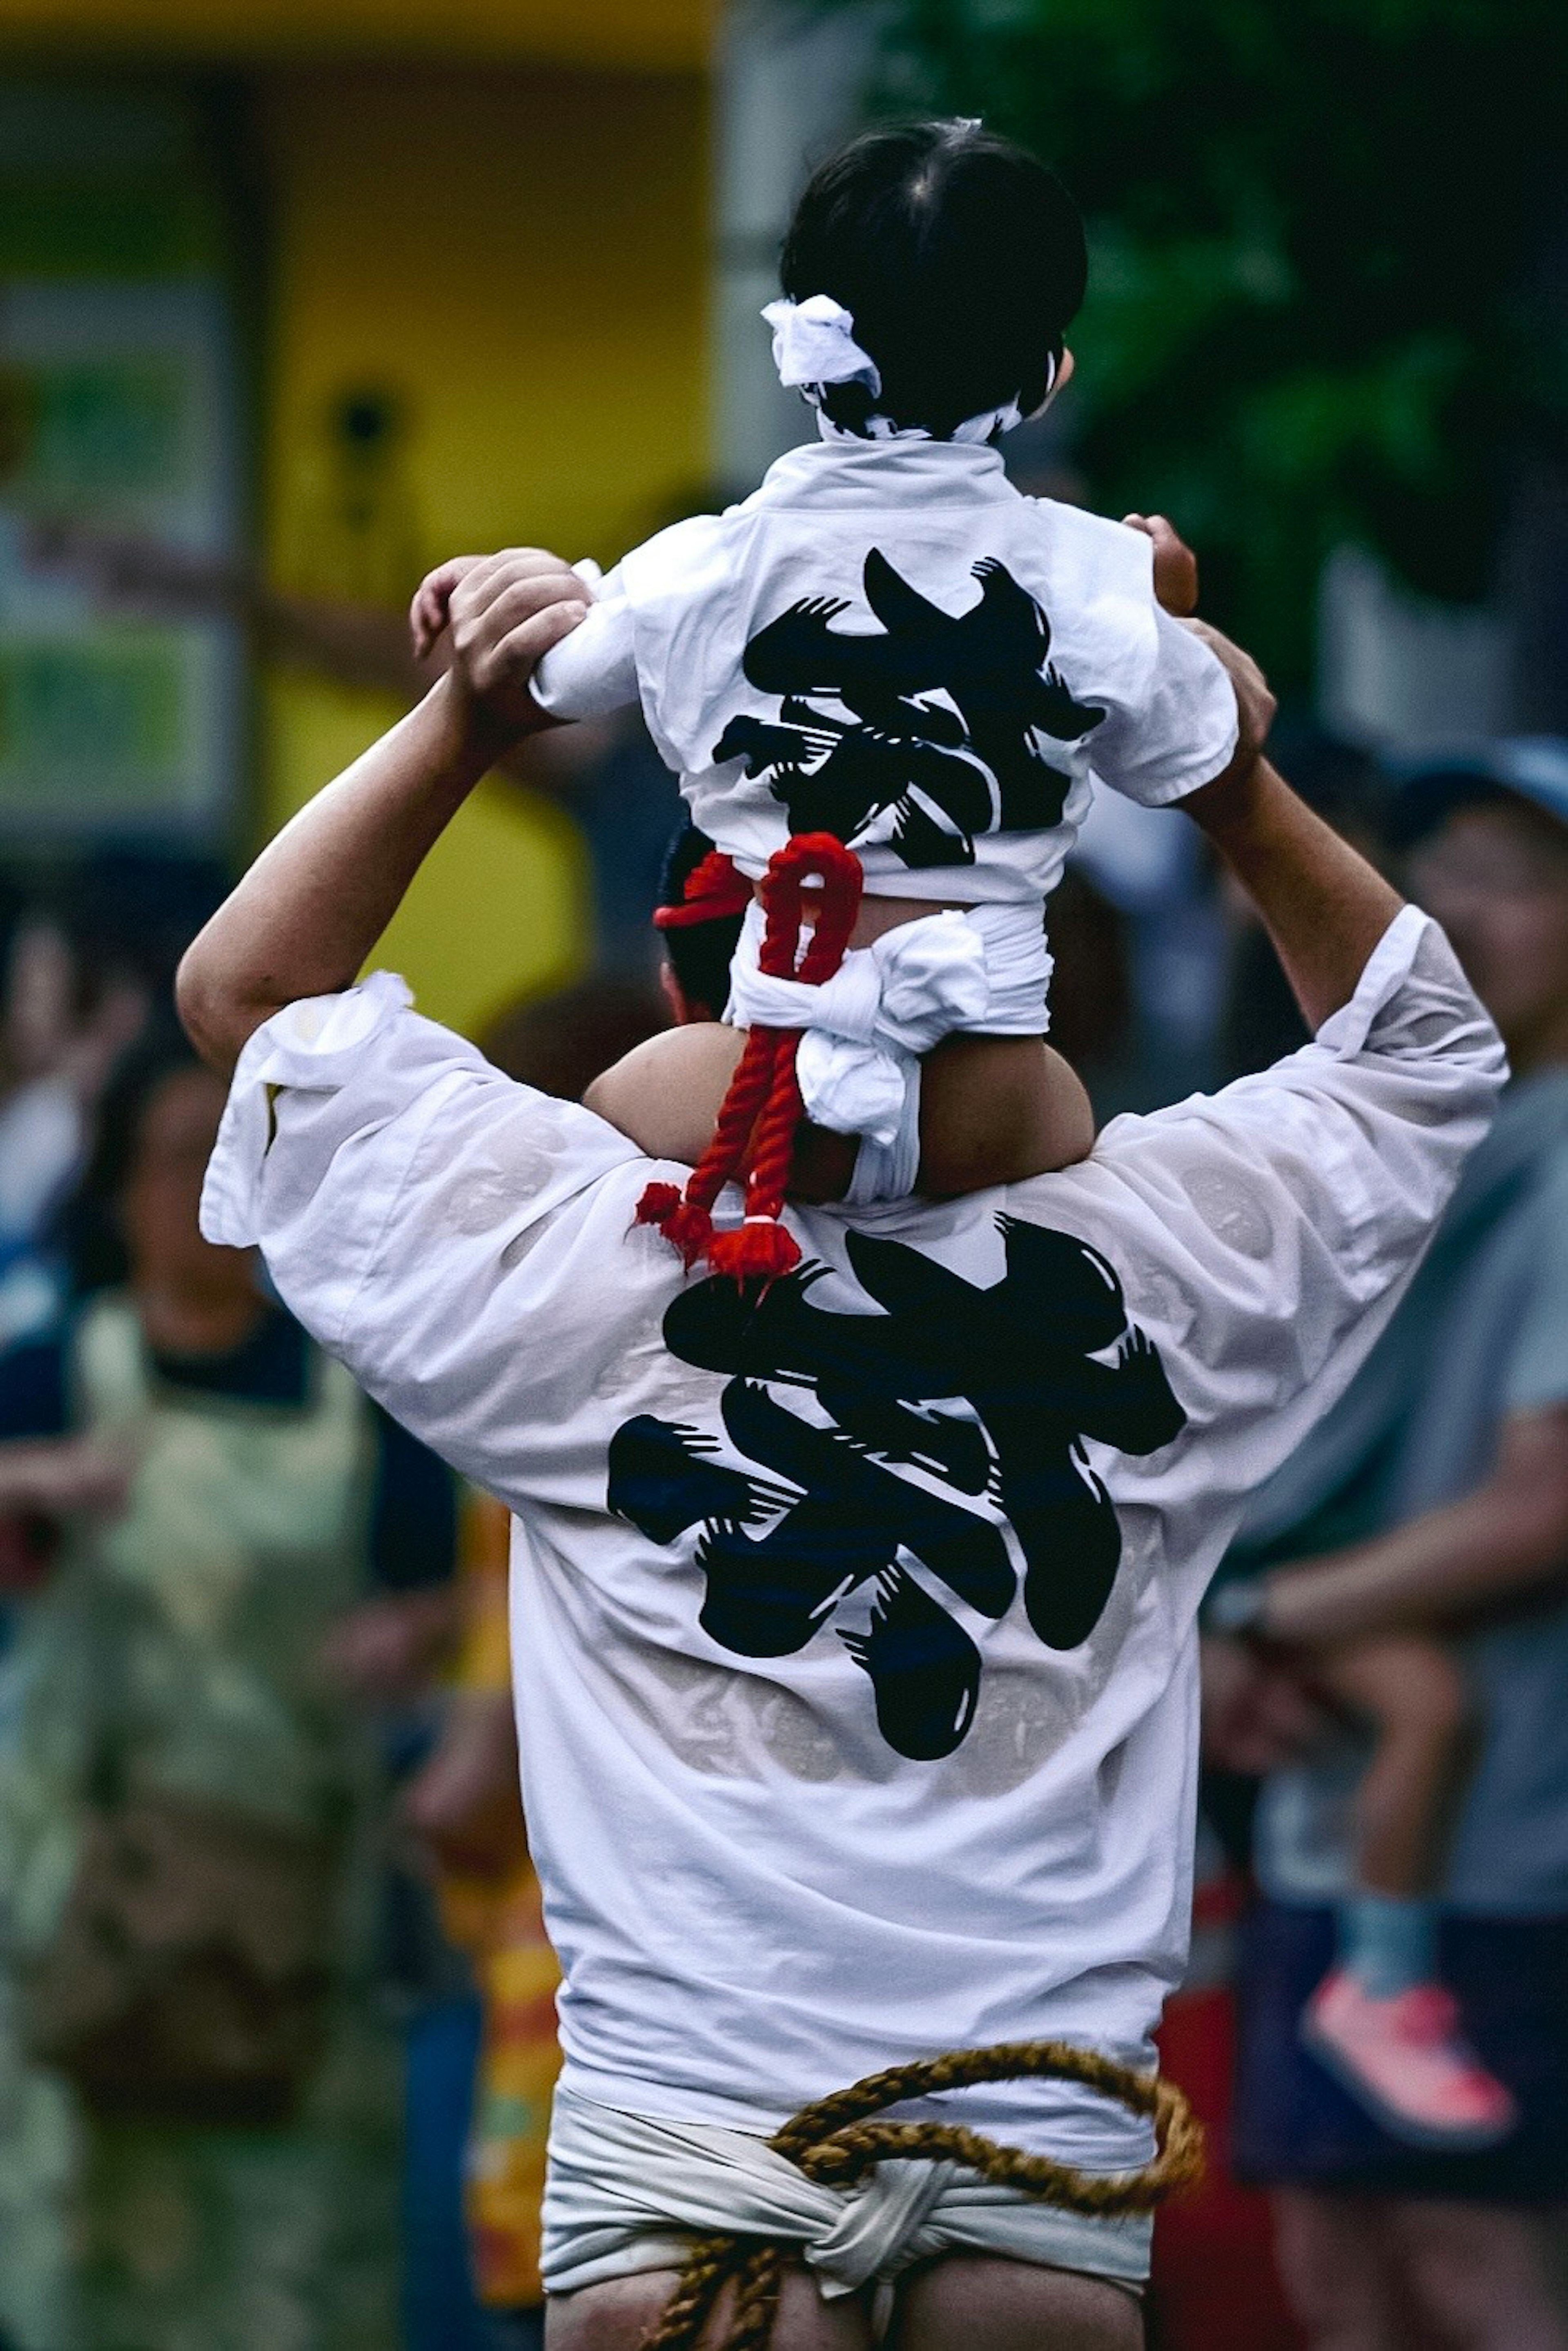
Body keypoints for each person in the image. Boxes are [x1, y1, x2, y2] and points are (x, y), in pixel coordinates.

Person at [175, 548, 1502, 2351]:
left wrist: (470, 721)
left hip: (689, 2168)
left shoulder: (563, 1266)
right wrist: (1221, 772)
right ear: (1033, 1002)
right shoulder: (1177, 1266)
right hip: (1026, 2172)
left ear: (686, 990)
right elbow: (1424, 1046)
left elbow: (252, 1000)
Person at [410, 122, 1241, 1265]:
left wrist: (538, 587)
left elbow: (540, 679)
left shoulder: (702, 562)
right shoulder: (1096, 572)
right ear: (1049, 375)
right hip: (1001, 1091)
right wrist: (1171, 618)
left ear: (798, 351)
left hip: (756, 1081)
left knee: (576, 1179)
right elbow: (1196, 755)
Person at [0, 1024, 457, 2351]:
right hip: (81, 1904)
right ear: (119, 1187)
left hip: (291, 1911)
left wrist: (409, 1635)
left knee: (290, 2271)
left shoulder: (356, 1391)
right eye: (167, 1161)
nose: (195, 1191)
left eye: (228, 1158)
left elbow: (450, 1596)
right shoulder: (51, 1374)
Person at [1204, 744, 1568, 2351]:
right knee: (1341, 2269)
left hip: (1510, 1845)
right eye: (1445, 867)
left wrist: (1262, 1612)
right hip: (1334, 1826)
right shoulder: (1410, 1138)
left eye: (1520, 872)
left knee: (1472, 2267)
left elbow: (1545, 1501)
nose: (1466, 910)